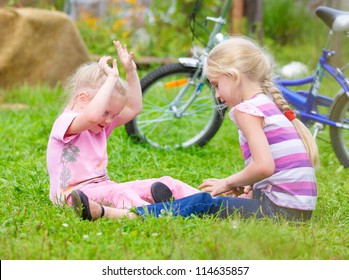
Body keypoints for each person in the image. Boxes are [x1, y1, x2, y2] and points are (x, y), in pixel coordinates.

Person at [71, 35, 319, 222]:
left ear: (233, 76)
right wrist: (249, 187)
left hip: (280, 212)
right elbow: (273, 168)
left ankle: (121, 214)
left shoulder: (246, 111)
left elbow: (265, 166)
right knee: (225, 202)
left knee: (206, 202)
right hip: (296, 210)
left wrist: (226, 182)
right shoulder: (267, 104)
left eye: (216, 84)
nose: (217, 95)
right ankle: (173, 202)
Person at [46, 40, 199, 210]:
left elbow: (134, 108)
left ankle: (211, 200)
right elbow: (91, 116)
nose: (110, 120)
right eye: (106, 112)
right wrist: (111, 78)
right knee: (119, 193)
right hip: (73, 195)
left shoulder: (100, 123)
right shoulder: (67, 122)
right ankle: (155, 213)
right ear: (82, 99)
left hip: (103, 188)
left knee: (164, 183)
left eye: (114, 115)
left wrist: (131, 71)